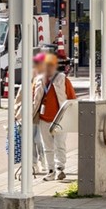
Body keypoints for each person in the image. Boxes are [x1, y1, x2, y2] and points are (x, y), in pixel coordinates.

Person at [31, 52, 76, 180]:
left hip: (60, 118)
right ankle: (50, 170)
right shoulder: (38, 80)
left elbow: (72, 98)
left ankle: (60, 169)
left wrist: (70, 115)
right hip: (43, 118)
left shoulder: (62, 79)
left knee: (60, 144)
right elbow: (33, 99)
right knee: (47, 146)